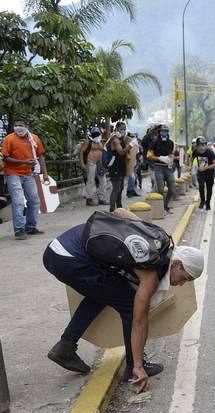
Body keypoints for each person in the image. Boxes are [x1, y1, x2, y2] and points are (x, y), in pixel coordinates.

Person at [42, 208, 203, 393]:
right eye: (186, 278)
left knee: (103, 293)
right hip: (70, 259)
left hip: (56, 248)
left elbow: (119, 211)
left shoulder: (159, 238)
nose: (182, 284)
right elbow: (139, 320)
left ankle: (65, 346)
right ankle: (132, 367)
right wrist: (138, 366)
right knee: (129, 304)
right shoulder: (150, 275)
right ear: (177, 264)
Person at [1, 117, 49, 240]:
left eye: (21, 125)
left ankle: (31, 228)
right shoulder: (9, 139)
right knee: (18, 201)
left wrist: (45, 174)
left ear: (26, 126)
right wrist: (24, 162)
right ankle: (19, 230)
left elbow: (41, 156)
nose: (18, 127)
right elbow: (5, 158)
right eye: (16, 125)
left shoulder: (34, 138)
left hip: (28, 174)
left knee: (34, 200)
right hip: (12, 173)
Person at [146, 125, 176, 213]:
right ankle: (161, 208)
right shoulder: (154, 142)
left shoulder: (170, 142)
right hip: (158, 167)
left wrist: (171, 159)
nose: (164, 133)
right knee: (160, 189)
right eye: (162, 131)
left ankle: (165, 205)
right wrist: (159, 158)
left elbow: (171, 153)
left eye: (166, 131)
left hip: (168, 167)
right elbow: (149, 155)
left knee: (172, 188)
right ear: (159, 132)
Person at [79, 127, 109, 207]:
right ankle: (89, 199)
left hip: (100, 163)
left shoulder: (100, 141)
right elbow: (81, 152)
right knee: (91, 181)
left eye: (98, 134)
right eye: (95, 134)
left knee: (103, 181)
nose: (97, 135)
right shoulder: (87, 142)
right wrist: (82, 163)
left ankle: (101, 198)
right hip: (91, 162)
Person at [193, 136, 215, 210]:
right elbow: (192, 159)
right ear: (197, 146)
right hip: (200, 172)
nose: (202, 148)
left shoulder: (210, 152)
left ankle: (208, 203)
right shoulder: (195, 152)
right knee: (201, 185)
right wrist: (191, 167)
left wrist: (205, 168)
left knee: (209, 188)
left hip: (209, 172)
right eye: (200, 146)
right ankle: (202, 201)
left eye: (203, 145)